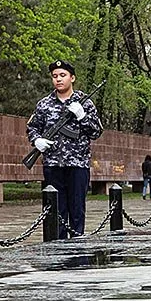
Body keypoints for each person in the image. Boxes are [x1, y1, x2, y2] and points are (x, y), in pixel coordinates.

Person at [27, 60, 103, 237]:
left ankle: (77, 250)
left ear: (72, 78)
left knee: (77, 210)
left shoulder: (85, 103)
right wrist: (36, 140)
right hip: (53, 164)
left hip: (78, 164)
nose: (58, 80)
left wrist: (82, 116)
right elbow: (32, 127)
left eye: (63, 75)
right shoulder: (44, 104)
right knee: (55, 211)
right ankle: (57, 250)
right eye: (55, 76)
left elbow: (97, 131)